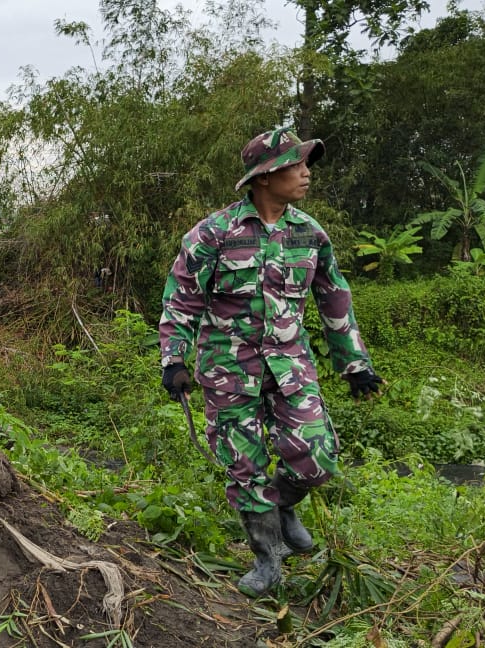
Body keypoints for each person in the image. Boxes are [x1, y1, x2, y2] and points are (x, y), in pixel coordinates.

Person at [158, 127, 385, 598]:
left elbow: (334, 299)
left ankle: (282, 506)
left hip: (290, 366)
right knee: (245, 467)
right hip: (229, 372)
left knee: (317, 456)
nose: (305, 173)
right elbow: (182, 302)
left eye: (306, 164)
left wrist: (355, 363)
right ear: (264, 176)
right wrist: (173, 360)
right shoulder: (212, 235)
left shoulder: (310, 233)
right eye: (295, 165)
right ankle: (267, 561)